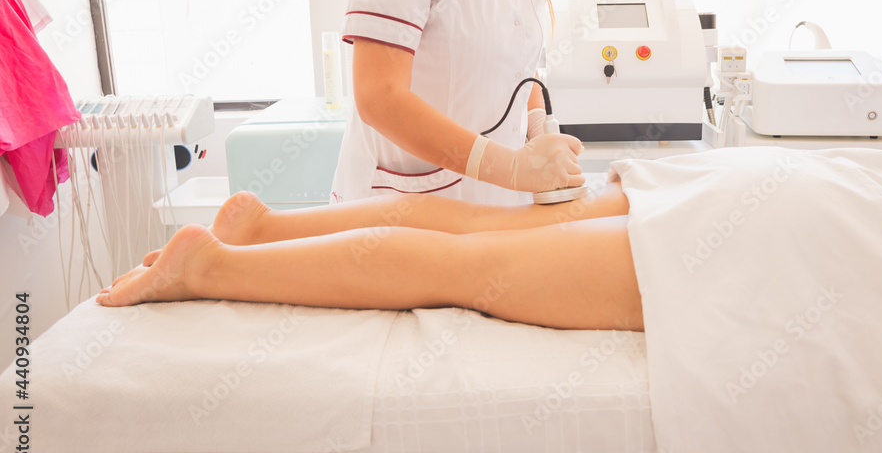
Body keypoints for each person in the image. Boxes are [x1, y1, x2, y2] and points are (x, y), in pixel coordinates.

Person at [332, 0, 584, 205]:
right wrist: (509, 167)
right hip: (406, 209)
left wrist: (539, 127)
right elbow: (379, 96)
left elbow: (514, 59)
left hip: (499, 205)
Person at [96, 184, 643, 332]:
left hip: (704, 193)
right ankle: (211, 265)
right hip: (707, 227)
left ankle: (262, 231)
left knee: (481, 230)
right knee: (467, 260)